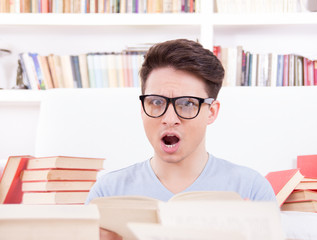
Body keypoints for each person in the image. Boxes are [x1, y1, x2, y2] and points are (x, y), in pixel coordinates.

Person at [85, 39, 276, 239]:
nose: (170, 119)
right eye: (156, 102)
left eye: (187, 104)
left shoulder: (251, 189)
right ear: (143, 109)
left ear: (211, 112)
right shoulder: (107, 193)